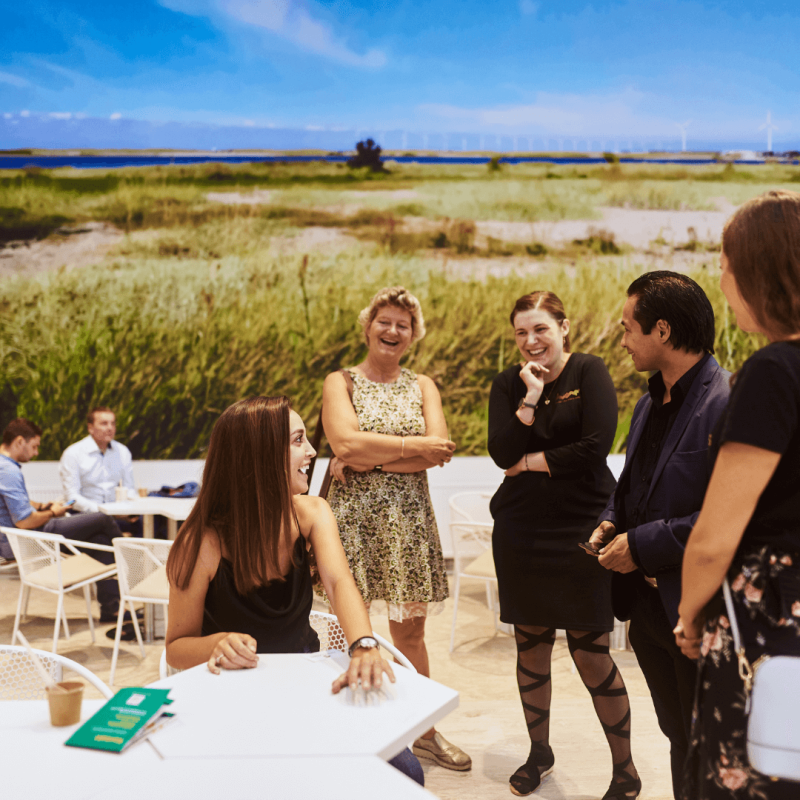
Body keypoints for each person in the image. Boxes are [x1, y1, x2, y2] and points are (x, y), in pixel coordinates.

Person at [165, 396, 423, 785]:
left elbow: (339, 583)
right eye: (298, 440)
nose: (313, 451)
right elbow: (176, 646)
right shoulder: (202, 540)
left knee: (405, 771)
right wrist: (215, 643)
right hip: (230, 694)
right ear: (260, 456)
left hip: (301, 678)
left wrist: (364, 645)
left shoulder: (312, 512)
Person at [674, 190, 800, 800]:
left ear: (760, 271)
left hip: (769, 613)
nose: (720, 279)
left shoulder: (775, 371)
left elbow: (716, 535)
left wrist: (689, 614)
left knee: (753, 770)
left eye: (725, 264)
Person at [489, 291, 639, 798]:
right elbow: (500, 452)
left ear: (563, 328)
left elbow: (596, 446)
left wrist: (531, 461)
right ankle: (539, 753)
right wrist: (529, 399)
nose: (531, 342)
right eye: (521, 333)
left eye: (541, 330)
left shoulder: (589, 371)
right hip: (522, 531)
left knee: (590, 650)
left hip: (582, 527)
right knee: (530, 644)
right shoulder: (509, 383)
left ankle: (625, 771)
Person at [588, 271, 730, 800]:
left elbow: (730, 517)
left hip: (698, 608)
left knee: (710, 741)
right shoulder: (649, 402)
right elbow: (632, 485)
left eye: (628, 327)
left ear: (663, 331)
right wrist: (610, 518)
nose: (621, 339)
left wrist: (642, 546)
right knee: (677, 734)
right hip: (648, 612)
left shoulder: (726, 401)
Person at [321, 286, 470, 771]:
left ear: (413, 335)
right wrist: (409, 448)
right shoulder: (339, 381)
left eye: (402, 325)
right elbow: (343, 441)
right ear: (368, 326)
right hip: (351, 523)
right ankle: (349, 733)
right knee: (348, 632)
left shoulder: (422, 384)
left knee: (409, 636)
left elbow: (440, 450)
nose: (392, 330)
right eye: (384, 321)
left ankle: (421, 732)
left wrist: (366, 457)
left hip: (407, 523)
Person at [0, 418, 121, 621]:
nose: (36, 452)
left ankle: (113, 610)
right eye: (34, 446)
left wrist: (41, 506)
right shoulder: (8, 471)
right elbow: (24, 521)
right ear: (19, 441)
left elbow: (13, 501)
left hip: (13, 538)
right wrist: (53, 512)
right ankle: (138, 569)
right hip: (23, 540)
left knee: (99, 540)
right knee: (102, 519)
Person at [60, 406, 141, 536]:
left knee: (150, 522)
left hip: (118, 515)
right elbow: (72, 497)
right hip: (86, 515)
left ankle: (140, 554)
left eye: (113, 423)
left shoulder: (123, 452)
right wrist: (104, 511)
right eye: (104, 423)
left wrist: (132, 510)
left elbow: (129, 488)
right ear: (90, 428)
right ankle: (124, 548)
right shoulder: (73, 454)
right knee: (104, 524)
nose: (110, 428)